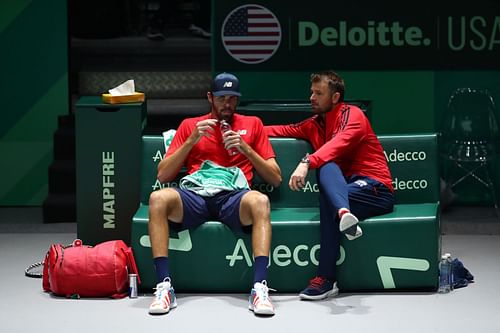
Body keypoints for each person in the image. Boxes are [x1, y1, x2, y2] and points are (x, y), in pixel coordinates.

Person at [147, 72, 282, 316]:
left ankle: (259, 289)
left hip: (234, 197)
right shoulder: (191, 125)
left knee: (261, 201)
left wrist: (246, 149)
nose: (227, 104)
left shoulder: (253, 124)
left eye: (232, 98)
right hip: (196, 196)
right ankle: (164, 287)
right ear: (210, 97)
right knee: (158, 199)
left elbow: (275, 177)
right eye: (221, 98)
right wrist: (191, 140)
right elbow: (163, 176)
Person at [264, 70, 395, 300]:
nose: (312, 98)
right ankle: (344, 214)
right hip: (345, 193)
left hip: (376, 190)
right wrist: (240, 131)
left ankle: (325, 278)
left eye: (318, 93)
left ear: (335, 97)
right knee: (328, 181)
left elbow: (338, 144)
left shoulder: (354, 115)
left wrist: (306, 162)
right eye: (311, 92)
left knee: (326, 173)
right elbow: (278, 130)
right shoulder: (314, 124)